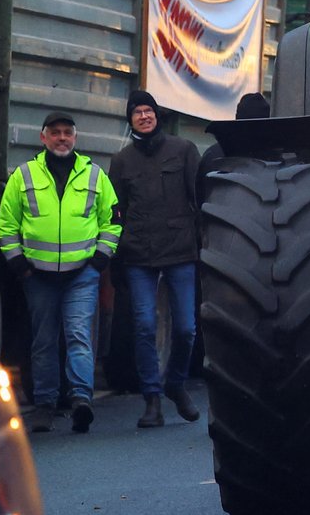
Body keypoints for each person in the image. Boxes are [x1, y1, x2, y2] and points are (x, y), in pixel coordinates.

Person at [0, 111, 121, 435]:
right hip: (38, 276)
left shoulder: (94, 175)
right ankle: (45, 406)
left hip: (81, 275)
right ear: (43, 138)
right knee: (44, 341)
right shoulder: (23, 176)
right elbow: (7, 224)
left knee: (79, 336)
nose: (62, 138)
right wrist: (18, 264)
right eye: (55, 133)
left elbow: (112, 220)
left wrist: (100, 259)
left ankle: (81, 401)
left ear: (75, 138)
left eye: (67, 132)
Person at [108, 89, 203, 429]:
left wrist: (202, 248)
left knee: (187, 329)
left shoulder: (184, 150)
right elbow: (114, 213)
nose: (144, 116)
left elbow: (200, 201)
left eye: (148, 110)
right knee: (144, 327)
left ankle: (175, 384)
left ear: (158, 115)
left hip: (180, 252)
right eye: (137, 112)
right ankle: (151, 400)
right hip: (138, 255)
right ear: (130, 120)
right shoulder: (121, 162)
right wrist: (116, 259)